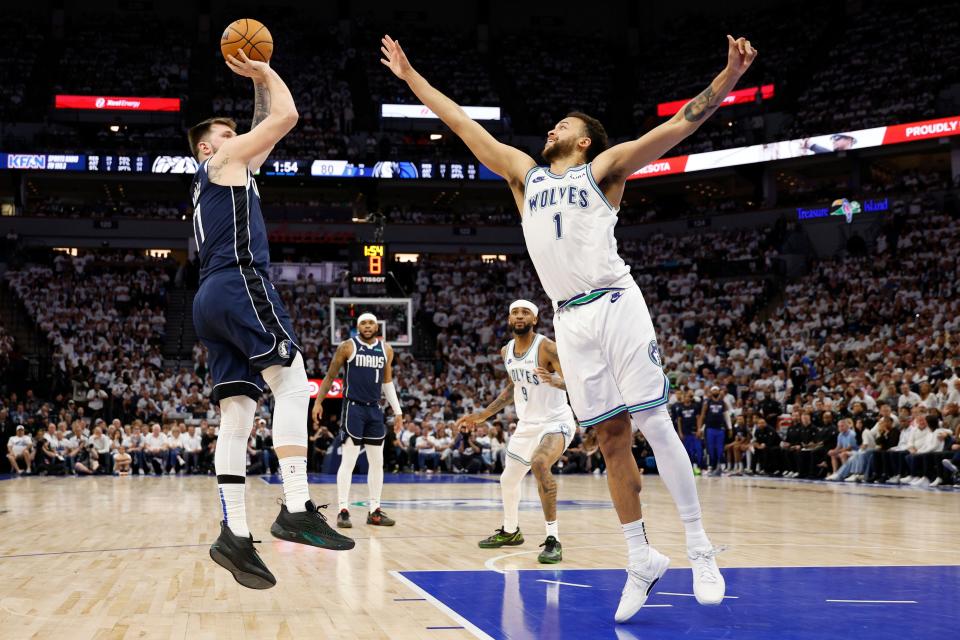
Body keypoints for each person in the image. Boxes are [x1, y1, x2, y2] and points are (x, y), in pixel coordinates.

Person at [380, 31, 756, 618]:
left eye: (561, 126)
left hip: (615, 302)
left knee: (654, 423)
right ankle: (641, 558)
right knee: (610, 441)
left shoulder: (603, 168)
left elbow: (679, 123)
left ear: (582, 140)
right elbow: (462, 125)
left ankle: (700, 547)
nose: (549, 130)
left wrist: (730, 76)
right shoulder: (524, 176)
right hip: (570, 320)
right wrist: (410, 77)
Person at [187, 49, 354, 589]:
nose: (240, 139)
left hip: (207, 298)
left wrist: (257, 85)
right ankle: (297, 505)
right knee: (293, 380)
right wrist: (264, 71)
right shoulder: (222, 162)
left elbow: (265, 125)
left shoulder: (219, 175)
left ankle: (233, 533)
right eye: (227, 135)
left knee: (236, 414)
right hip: (239, 282)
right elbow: (286, 118)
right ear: (209, 147)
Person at [457, 300, 576, 564]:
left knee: (540, 463)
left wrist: (559, 382)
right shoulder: (506, 351)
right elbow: (513, 387)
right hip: (527, 424)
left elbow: (575, 381)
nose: (519, 316)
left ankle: (553, 539)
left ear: (535, 319)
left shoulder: (547, 346)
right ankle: (511, 531)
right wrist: (483, 415)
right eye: (515, 312)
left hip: (556, 421)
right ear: (509, 319)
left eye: (525, 313)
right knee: (508, 480)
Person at [313, 313, 403, 529]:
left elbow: (387, 382)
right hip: (353, 409)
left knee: (377, 462)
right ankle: (343, 510)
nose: (368, 326)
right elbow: (330, 376)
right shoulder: (347, 347)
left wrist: (398, 411)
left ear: (377, 326)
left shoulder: (386, 350)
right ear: (357, 326)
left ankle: (375, 511)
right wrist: (318, 402)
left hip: (375, 410)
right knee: (349, 461)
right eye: (363, 322)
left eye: (371, 322)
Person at [699, 386, 730, 476]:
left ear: (719, 391)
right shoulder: (707, 402)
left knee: (720, 449)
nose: (715, 391)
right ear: (711, 392)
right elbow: (702, 415)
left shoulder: (723, 402)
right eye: (714, 390)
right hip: (710, 428)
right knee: (710, 449)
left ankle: (723, 468)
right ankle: (711, 467)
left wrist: (730, 427)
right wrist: (700, 429)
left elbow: (726, 415)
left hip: (720, 428)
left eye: (717, 390)